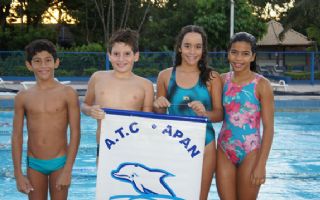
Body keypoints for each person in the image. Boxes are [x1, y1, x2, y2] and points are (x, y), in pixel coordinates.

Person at [153, 25, 223, 200]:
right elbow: (159, 116)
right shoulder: (165, 76)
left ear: (203, 49)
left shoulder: (212, 78)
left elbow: (219, 114)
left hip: (205, 144)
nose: (192, 51)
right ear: (179, 47)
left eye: (198, 46)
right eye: (187, 46)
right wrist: (159, 105)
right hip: (174, 143)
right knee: (175, 195)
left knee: (200, 197)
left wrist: (204, 113)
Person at [11, 39, 80, 200]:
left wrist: (68, 170)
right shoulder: (23, 97)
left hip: (60, 163)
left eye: (48, 60)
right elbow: (16, 136)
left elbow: (75, 133)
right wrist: (18, 173)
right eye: (37, 61)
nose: (43, 65)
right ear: (29, 65)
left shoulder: (67, 93)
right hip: (34, 164)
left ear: (56, 63)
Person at [216, 32, 274, 200]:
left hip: (251, 152)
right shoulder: (221, 81)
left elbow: (269, 128)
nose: (238, 58)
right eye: (234, 52)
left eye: (245, 53)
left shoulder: (262, 85)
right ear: (228, 53)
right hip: (224, 150)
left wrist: (261, 164)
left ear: (253, 56)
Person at [81, 29, 154, 159]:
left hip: (133, 147)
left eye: (127, 54)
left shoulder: (145, 85)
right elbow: (85, 105)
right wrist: (90, 110)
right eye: (116, 54)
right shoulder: (97, 78)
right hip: (104, 146)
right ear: (109, 55)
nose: (121, 59)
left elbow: (147, 120)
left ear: (136, 56)